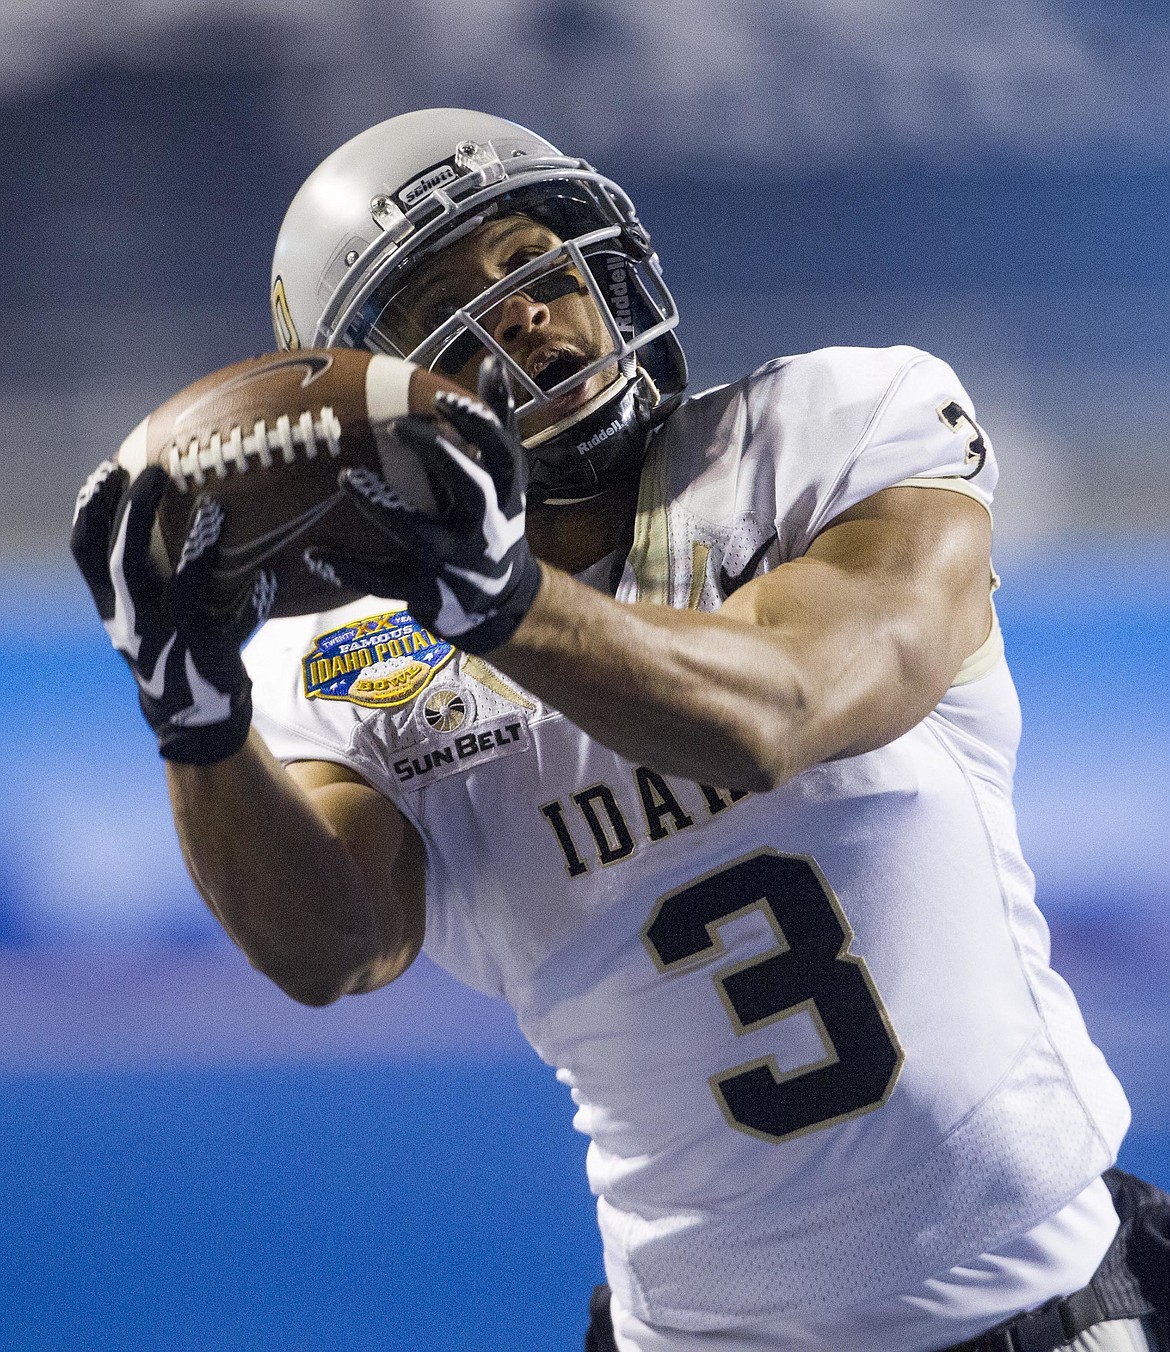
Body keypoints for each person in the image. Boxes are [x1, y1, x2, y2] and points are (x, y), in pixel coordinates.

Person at [71, 108, 1169, 1351]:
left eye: (534, 262)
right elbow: (332, 947)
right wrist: (194, 717)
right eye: (448, 299)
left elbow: (783, 705)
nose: (525, 312)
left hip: (1041, 1311)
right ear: (357, 398)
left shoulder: (836, 428)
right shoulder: (340, 661)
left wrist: (503, 605)